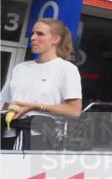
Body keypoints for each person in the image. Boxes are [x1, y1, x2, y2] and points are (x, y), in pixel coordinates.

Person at [1, 18, 82, 151]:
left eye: (40, 34)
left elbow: (74, 111)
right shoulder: (20, 68)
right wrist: (12, 107)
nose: (33, 38)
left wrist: (35, 106)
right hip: (7, 133)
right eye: (33, 33)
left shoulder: (66, 69)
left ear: (55, 39)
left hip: (39, 137)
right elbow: (4, 101)